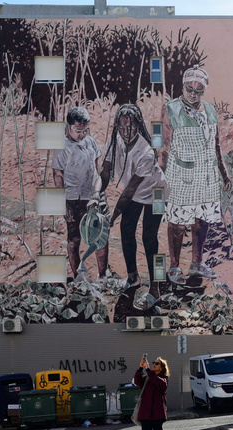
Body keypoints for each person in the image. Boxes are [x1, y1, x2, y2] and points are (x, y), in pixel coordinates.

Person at [160, 65, 231, 285]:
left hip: (207, 177)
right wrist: (160, 176)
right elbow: (163, 146)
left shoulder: (209, 110)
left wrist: (223, 173)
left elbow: (215, 144)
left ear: (203, 91)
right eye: (189, 88)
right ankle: (173, 267)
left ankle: (196, 264)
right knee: (177, 224)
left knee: (201, 221)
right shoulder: (170, 109)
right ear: (183, 86)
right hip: (181, 176)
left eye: (198, 90)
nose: (192, 93)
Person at [99, 103, 166, 292]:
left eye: (130, 127)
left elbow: (129, 191)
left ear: (138, 125)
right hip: (137, 191)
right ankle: (133, 277)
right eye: (121, 127)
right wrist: (97, 193)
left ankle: (156, 284)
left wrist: (112, 216)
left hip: (158, 191)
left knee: (149, 236)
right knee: (126, 230)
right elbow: (105, 172)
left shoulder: (145, 152)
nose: (125, 131)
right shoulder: (114, 143)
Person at [52, 107, 108, 281]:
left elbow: (98, 169)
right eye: (78, 130)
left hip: (93, 197)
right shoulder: (62, 147)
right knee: (74, 238)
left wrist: (99, 194)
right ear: (68, 127)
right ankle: (78, 276)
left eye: (85, 130)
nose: (82, 134)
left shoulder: (91, 142)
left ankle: (102, 274)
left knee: (101, 236)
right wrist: (63, 203)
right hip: (73, 198)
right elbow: (58, 175)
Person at [134, 355, 169, 430]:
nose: (154, 364)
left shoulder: (164, 378)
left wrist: (148, 369)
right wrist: (140, 368)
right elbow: (137, 381)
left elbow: (160, 384)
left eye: (157, 363)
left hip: (157, 413)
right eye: (153, 362)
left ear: (162, 367)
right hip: (145, 413)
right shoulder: (148, 377)